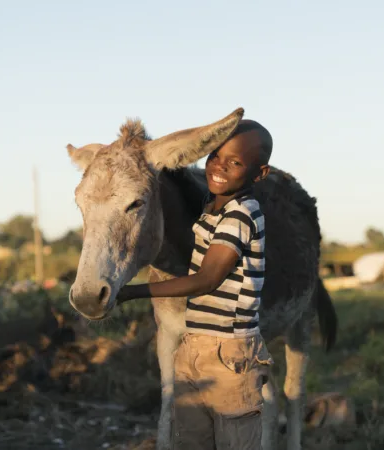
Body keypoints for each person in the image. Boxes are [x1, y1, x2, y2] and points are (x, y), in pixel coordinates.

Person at [117, 119, 274, 449]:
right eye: (215, 156)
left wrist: (133, 291)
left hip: (230, 352)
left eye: (235, 162)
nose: (219, 167)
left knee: (236, 441)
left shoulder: (241, 214)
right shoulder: (211, 209)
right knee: (191, 440)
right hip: (195, 345)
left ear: (259, 174)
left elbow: (207, 279)